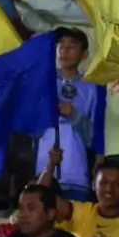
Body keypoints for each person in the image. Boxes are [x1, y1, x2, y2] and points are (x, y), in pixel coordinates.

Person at [36, 27, 101, 200]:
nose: (64, 49)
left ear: (84, 54)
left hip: (76, 171)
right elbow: (30, 127)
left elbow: (93, 135)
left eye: (72, 46)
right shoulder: (43, 82)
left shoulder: (92, 87)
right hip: (44, 169)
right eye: (61, 45)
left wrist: (74, 114)